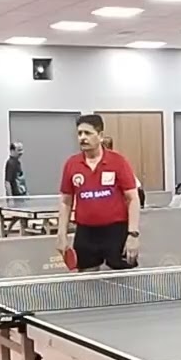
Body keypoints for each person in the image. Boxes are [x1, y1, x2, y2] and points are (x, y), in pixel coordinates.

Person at [56, 114, 141, 271]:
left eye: (88, 133)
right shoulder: (71, 164)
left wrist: (133, 235)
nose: (82, 138)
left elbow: (133, 198)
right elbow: (65, 201)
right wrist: (62, 234)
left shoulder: (118, 162)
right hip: (86, 232)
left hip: (116, 231)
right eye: (80, 133)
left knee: (125, 284)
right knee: (87, 285)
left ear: (100, 136)